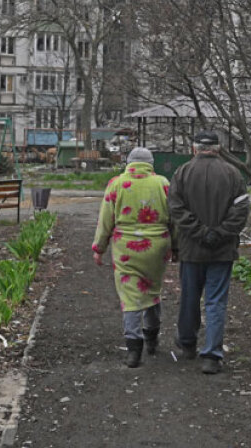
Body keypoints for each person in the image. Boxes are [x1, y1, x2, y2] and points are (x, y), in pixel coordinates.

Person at [169, 130, 250, 375]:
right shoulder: (233, 174)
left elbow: (176, 208)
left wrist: (199, 233)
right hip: (222, 250)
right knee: (216, 302)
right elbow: (241, 209)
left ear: (194, 149)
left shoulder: (182, 173)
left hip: (192, 249)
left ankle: (187, 343)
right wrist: (220, 233)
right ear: (218, 149)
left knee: (189, 298)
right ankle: (212, 355)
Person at [92, 147, 174, 368]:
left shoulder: (116, 184)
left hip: (126, 248)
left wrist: (99, 248)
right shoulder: (163, 183)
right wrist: (175, 245)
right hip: (157, 246)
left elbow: (105, 219)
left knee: (131, 296)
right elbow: (175, 216)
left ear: (128, 162)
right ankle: (152, 338)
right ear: (151, 163)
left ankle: (134, 350)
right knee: (153, 290)